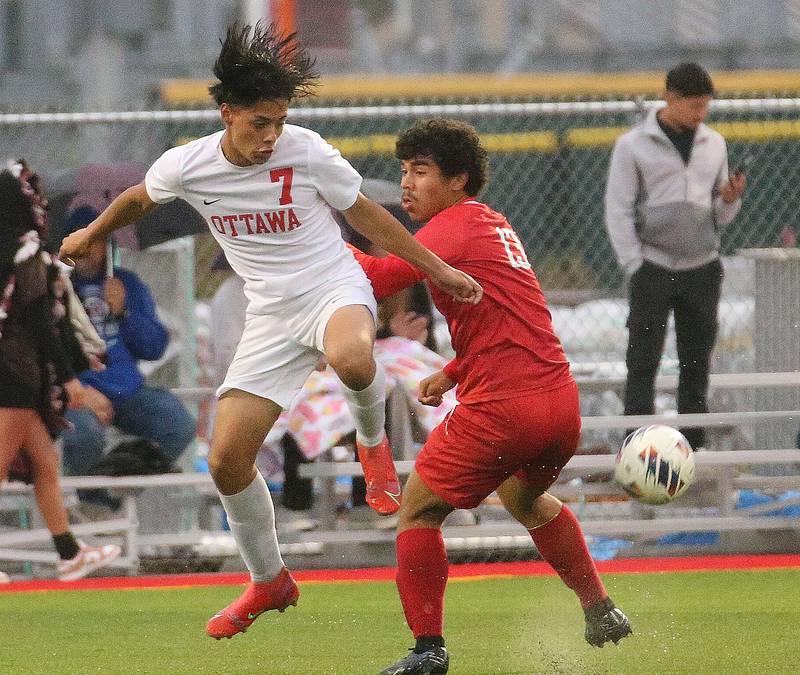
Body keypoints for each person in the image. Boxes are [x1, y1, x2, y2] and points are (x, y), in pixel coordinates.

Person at [59, 22, 481, 640]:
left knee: (353, 358)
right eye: (261, 122)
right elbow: (135, 200)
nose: (272, 135)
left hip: (334, 287)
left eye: (280, 121)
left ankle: (375, 447)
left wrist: (436, 268)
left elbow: (365, 213)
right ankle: (269, 580)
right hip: (271, 316)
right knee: (227, 459)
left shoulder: (305, 150)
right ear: (227, 113)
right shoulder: (189, 164)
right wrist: (92, 234)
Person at [348, 119, 631, 675]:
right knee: (524, 500)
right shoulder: (493, 225)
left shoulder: (448, 229)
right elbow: (514, 318)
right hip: (557, 404)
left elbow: (377, 278)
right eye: (404, 171)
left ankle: (428, 651)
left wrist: (309, 244)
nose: (406, 184)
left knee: (418, 512)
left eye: (420, 172)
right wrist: (453, 372)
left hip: (505, 407)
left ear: (459, 180)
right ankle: (600, 607)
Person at [605, 63, 746, 450]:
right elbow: (618, 210)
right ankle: (635, 447)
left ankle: (692, 450)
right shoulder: (632, 145)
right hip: (653, 265)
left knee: (696, 364)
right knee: (642, 362)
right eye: (693, 105)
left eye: (705, 107)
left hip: (702, 265)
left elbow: (718, 214)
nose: (700, 115)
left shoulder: (714, 143)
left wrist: (730, 200)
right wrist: (634, 264)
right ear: (669, 97)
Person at [0, 160, 120, 581]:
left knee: (45, 464)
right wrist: (69, 376)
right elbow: (39, 321)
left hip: (20, 373)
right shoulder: (27, 251)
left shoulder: (11, 248)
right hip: (14, 373)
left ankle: (69, 553)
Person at [59, 206, 196, 509]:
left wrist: (124, 311)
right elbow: (49, 353)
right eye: (78, 242)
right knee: (85, 436)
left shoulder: (126, 284)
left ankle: (119, 478)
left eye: (93, 240)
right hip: (78, 394)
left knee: (178, 423)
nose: (85, 250)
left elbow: (154, 348)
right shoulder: (55, 289)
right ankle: (93, 506)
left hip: (127, 391)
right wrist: (80, 390)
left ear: (107, 243)